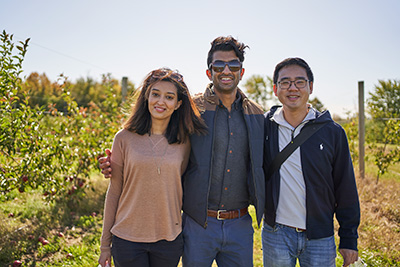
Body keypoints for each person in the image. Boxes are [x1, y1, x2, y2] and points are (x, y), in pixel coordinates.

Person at [99, 36, 265, 266]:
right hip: (198, 223)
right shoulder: (192, 110)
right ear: (209, 72)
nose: (226, 70)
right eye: (218, 65)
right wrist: (114, 164)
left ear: (242, 71)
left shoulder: (256, 115)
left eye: (233, 65)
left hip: (239, 223)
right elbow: (154, 131)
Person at [98, 68, 207, 267]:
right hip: (127, 238)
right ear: (146, 96)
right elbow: (114, 191)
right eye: (155, 94)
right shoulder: (123, 138)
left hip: (169, 240)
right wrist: (105, 245)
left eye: (169, 97)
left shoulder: (185, 143)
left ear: (178, 104)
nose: (160, 101)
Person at [262, 57, 360, 267]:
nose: (292, 88)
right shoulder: (264, 128)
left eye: (300, 82)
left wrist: (349, 238)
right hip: (276, 233)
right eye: (285, 82)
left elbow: (346, 187)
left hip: (320, 236)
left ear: (311, 87)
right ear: (275, 89)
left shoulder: (332, 132)